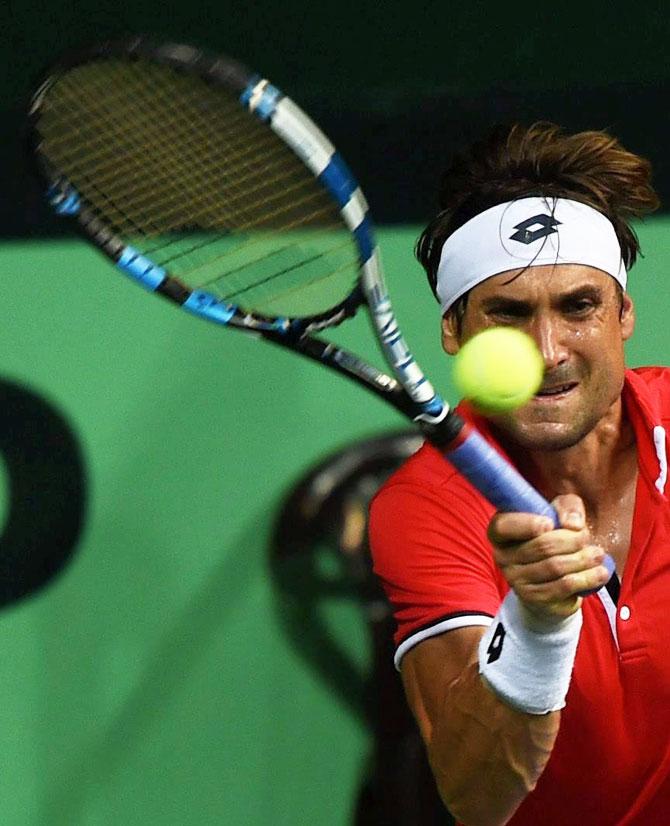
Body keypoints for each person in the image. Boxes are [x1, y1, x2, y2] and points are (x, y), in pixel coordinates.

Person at [368, 121, 669, 825]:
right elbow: (475, 796)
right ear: (454, 330)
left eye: (578, 306)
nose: (546, 348)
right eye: (508, 313)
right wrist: (535, 625)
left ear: (623, 312)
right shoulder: (424, 509)